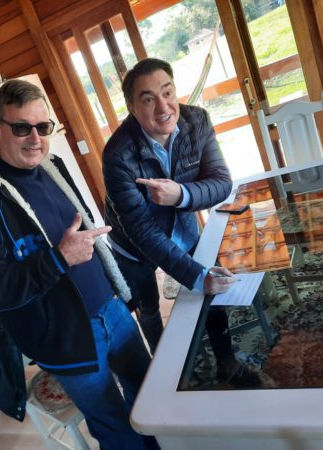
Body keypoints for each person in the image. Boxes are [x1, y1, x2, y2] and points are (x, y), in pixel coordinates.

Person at [0, 79, 158, 450]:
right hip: (64, 338)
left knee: (149, 398)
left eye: (42, 127)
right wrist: (58, 259)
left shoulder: (54, 166)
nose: (35, 139)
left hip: (111, 310)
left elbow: (84, 232)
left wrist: (118, 290)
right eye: (21, 128)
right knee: (114, 426)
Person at [103, 58, 259, 386]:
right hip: (132, 247)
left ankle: (227, 363)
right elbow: (141, 230)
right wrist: (196, 277)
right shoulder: (117, 154)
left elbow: (221, 182)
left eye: (168, 92)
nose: (163, 107)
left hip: (184, 228)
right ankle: (169, 374)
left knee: (211, 291)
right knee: (149, 308)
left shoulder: (196, 121)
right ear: (132, 107)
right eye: (148, 99)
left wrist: (181, 195)